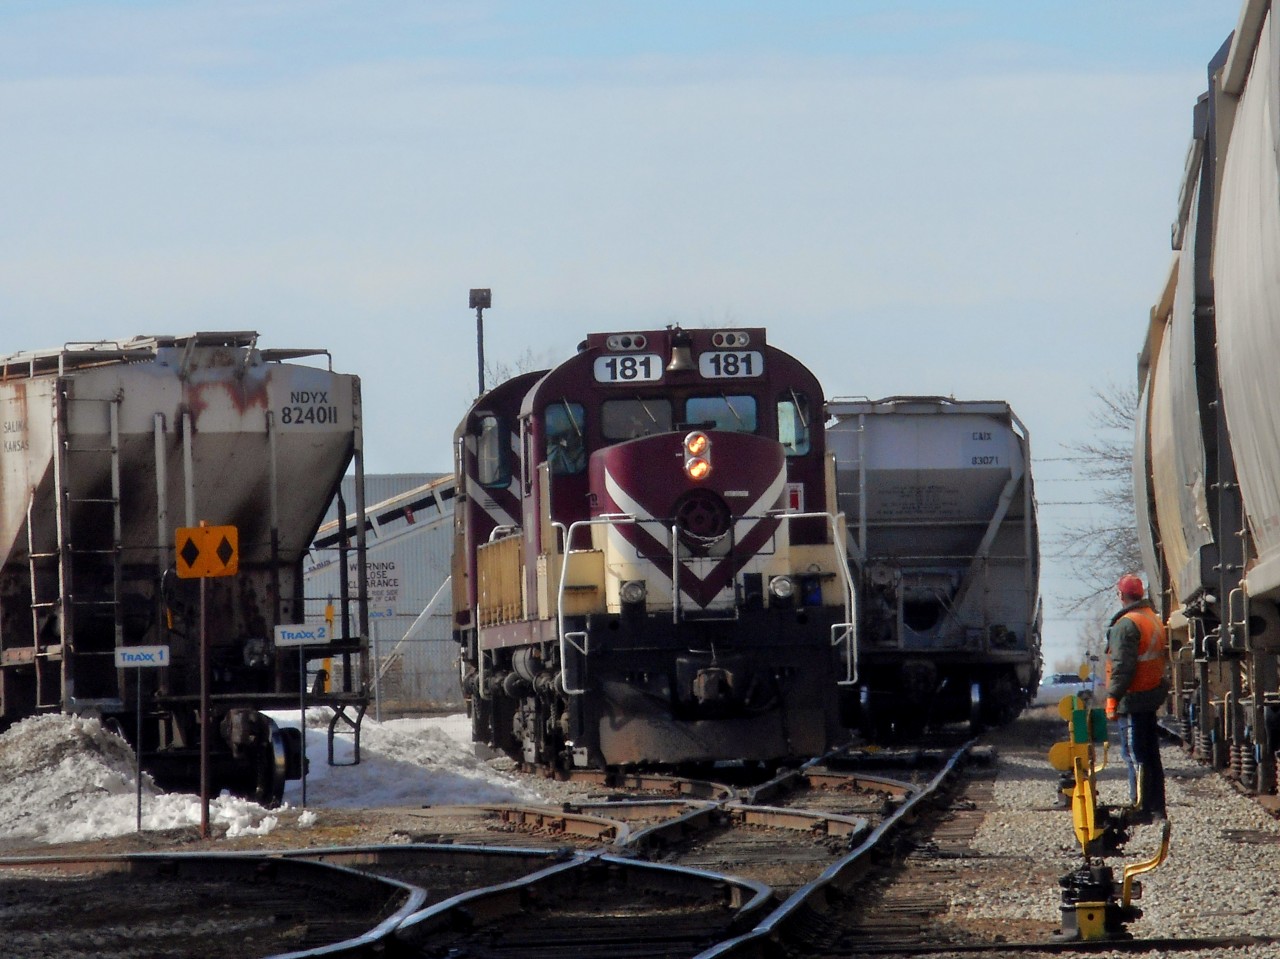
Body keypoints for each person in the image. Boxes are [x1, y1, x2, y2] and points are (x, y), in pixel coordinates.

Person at [1105, 573, 1170, 821]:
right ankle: (1157, 808)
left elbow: (1123, 667)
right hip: (1150, 695)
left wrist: (1112, 698)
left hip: (1133, 698)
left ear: (1121, 595)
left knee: (1135, 755)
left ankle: (1142, 807)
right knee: (1150, 755)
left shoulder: (1126, 625)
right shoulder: (1152, 619)